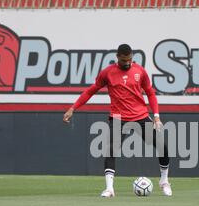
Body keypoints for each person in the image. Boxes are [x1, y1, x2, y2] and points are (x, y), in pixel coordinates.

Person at [63, 44, 172, 197]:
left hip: (140, 116)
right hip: (118, 118)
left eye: (129, 60)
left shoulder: (140, 71)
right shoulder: (107, 73)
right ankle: (109, 189)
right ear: (118, 57)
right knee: (111, 151)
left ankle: (164, 181)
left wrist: (156, 116)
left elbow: (150, 93)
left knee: (162, 146)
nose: (127, 63)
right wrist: (73, 108)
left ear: (132, 57)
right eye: (124, 60)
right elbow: (90, 91)